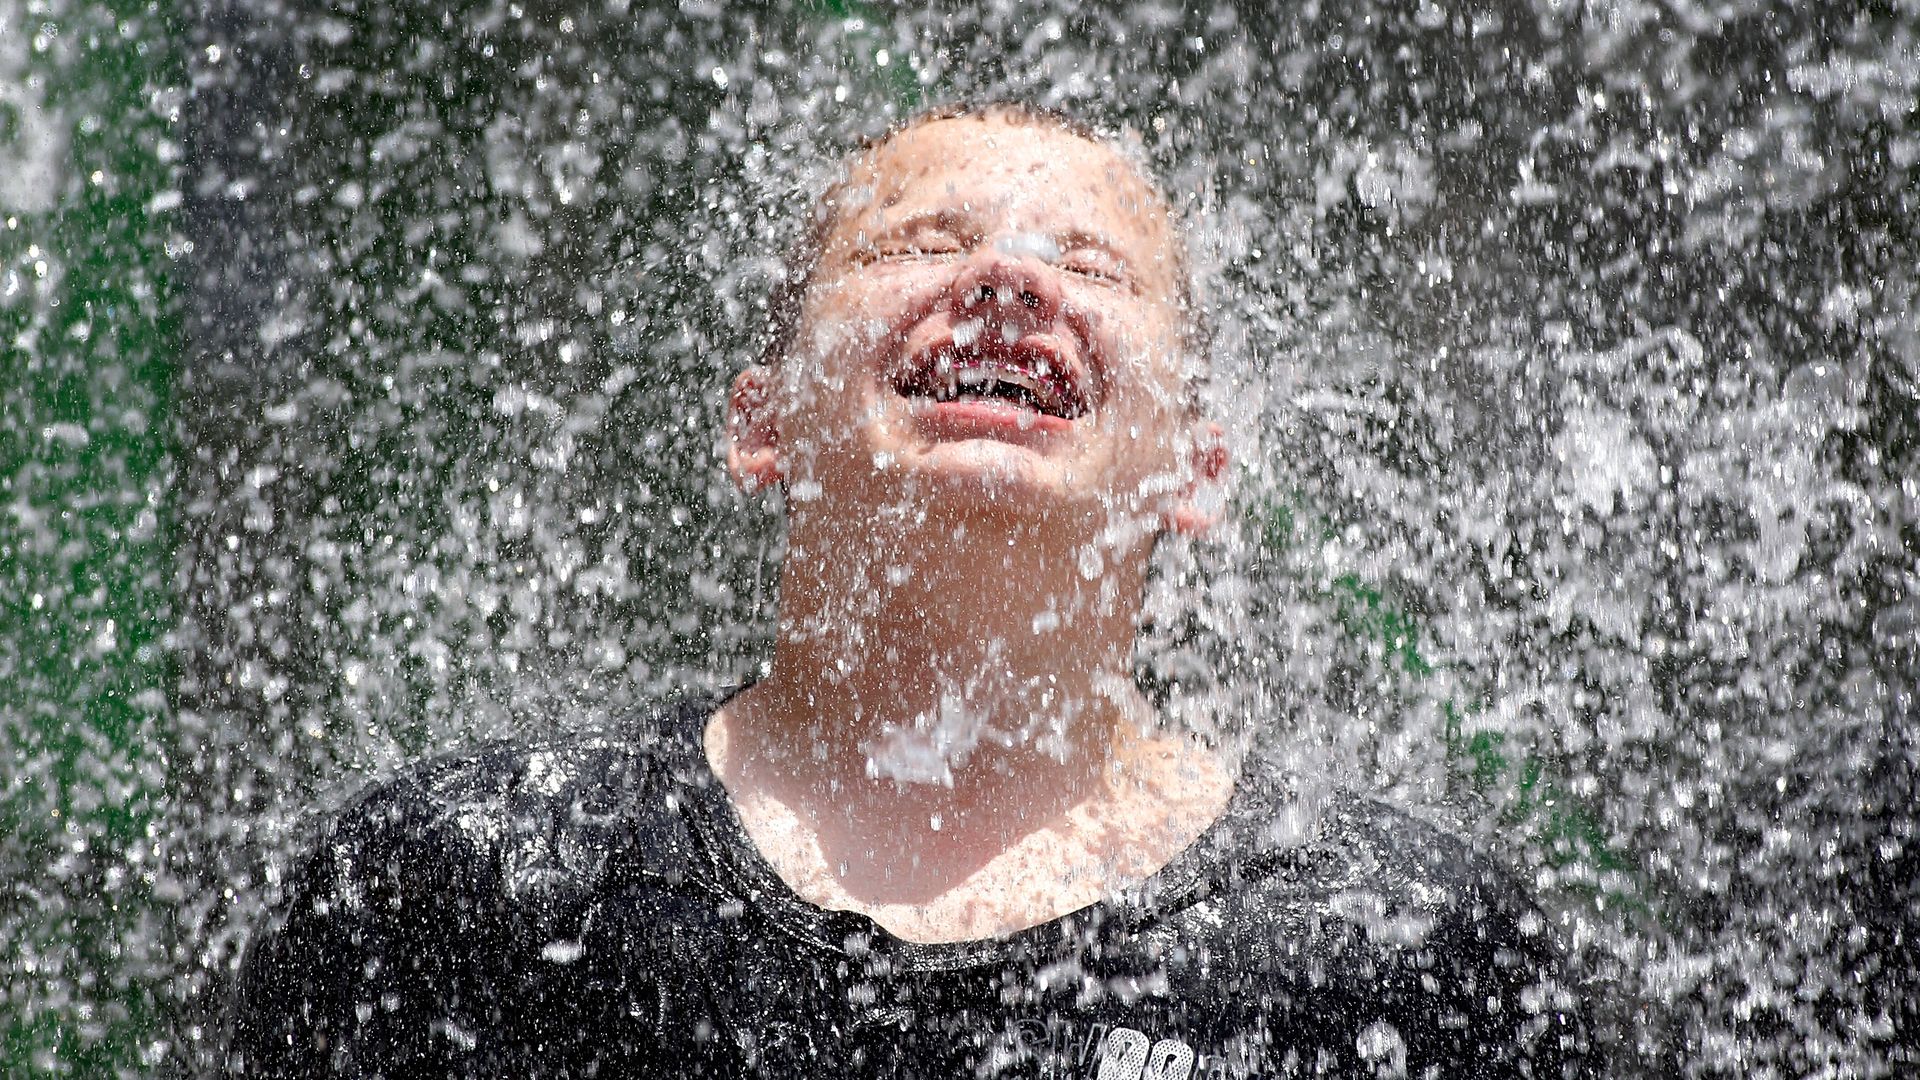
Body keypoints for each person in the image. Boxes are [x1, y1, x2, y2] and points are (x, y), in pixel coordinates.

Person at [230, 102, 1594, 1078]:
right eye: (913, 247)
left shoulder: (1396, 945)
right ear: (760, 424)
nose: (1005, 279)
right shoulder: (470, 882)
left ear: (1198, 466)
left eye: (1090, 266)